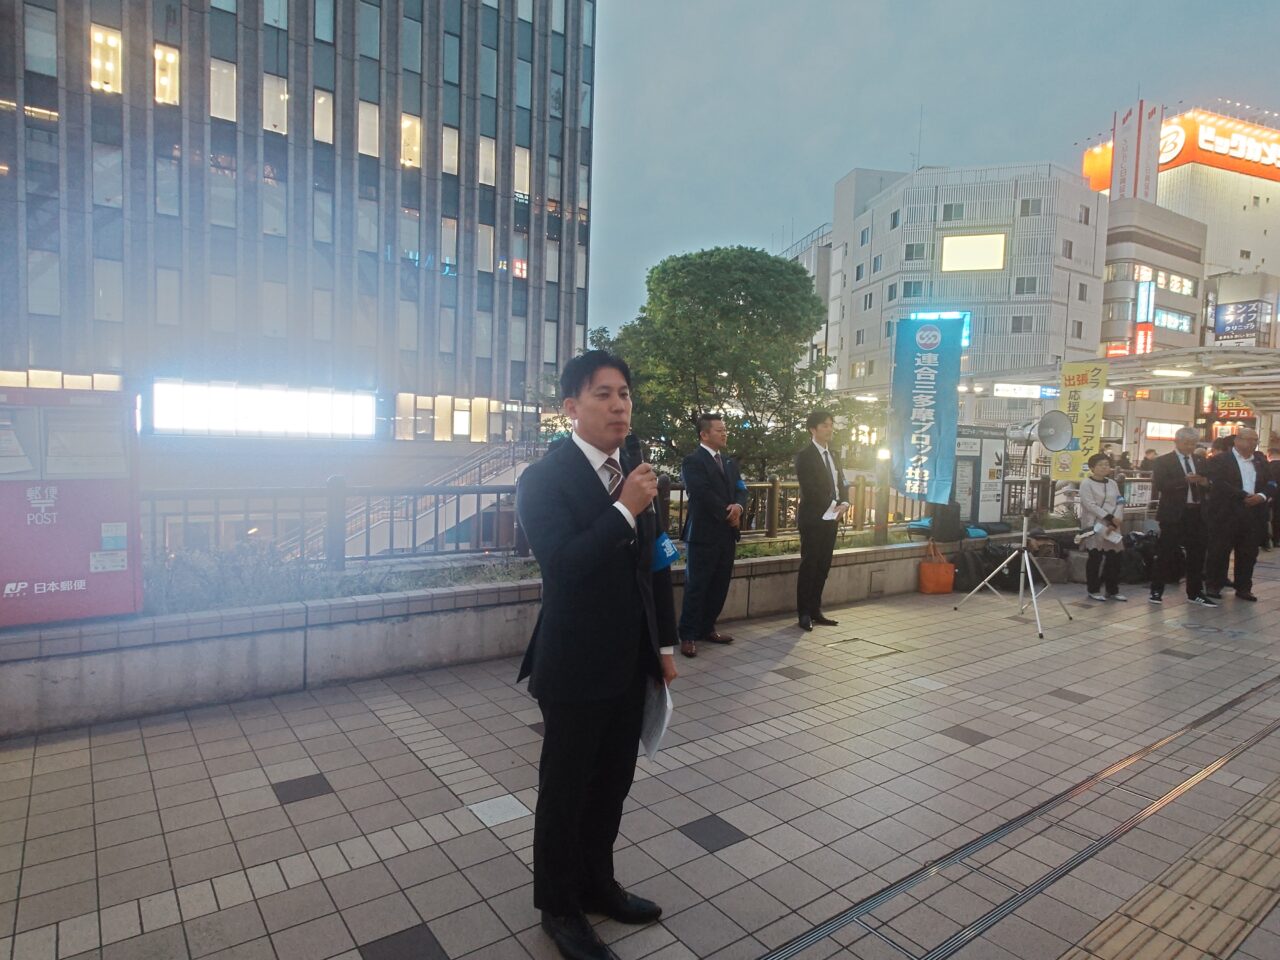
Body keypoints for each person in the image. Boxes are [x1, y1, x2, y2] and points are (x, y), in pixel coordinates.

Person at [515, 350, 677, 960]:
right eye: (603, 394)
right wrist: (624, 509)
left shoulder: (635, 469)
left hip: (631, 659)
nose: (619, 405)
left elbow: (656, 563)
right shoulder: (544, 480)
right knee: (566, 790)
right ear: (571, 407)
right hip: (575, 663)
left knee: (613, 783)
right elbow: (563, 566)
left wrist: (663, 645)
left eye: (625, 394)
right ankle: (559, 908)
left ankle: (597, 884)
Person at [678, 413, 748, 658]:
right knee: (697, 585)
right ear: (704, 434)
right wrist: (727, 513)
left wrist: (738, 508)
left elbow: (741, 489)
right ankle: (688, 635)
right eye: (719, 430)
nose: (724, 433)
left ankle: (708, 628)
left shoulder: (729, 462)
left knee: (720, 584)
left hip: (727, 533)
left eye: (724, 429)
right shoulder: (692, 461)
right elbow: (700, 493)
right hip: (703, 534)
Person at [1203, 427, 1276, 602]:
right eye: (1249, 439)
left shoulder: (1260, 461)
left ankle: (1244, 587)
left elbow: (1272, 482)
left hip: (1254, 514)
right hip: (1226, 513)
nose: (1253, 443)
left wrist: (1262, 496)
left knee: (1248, 553)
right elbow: (1220, 483)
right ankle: (1214, 585)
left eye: (1255, 440)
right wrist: (1243, 496)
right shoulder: (1221, 460)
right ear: (1237, 441)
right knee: (1220, 550)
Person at [1148, 427, 1216, 607]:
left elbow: (1211, 483)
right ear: (1176, 441)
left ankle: (1195, 592)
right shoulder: (1163, 461)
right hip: (1174, 514)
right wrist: (1184, 480)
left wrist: (1204, 482)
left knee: (1197, 554)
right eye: (1186, 443)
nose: (1190, 447)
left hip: (1197, 513)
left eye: (1193, 444)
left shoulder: (1201, 460)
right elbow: (1161, 485)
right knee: (1166, 553)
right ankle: (1156, 590)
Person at [795, 409, 849, 630]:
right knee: (810, 564)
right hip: (813, 518)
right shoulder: (805, 456)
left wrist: (845, 502)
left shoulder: (833, 454)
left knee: (823, 565)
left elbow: (842, 482)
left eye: (831, 425)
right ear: (813, 429)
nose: (829, 429)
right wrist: (833, 505)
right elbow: (810, 489)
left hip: (832, 518)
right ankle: (804, 613)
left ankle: (816, 609)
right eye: (825, 425)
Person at [1078, 452, 1127, 602]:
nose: (1104, 467)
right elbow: (1090, 505)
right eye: (1100, 465)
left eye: (1106, 464)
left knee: (1115, 558)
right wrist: (1109, 518)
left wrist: (1116, 520)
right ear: (1092, 467)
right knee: (1095, 557)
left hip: (1113, 525)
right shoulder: (1086, 483)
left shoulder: (1112, 483)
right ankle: (1093, 589)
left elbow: (1120, 501)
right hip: (1095, 524)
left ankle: (1112, 590)